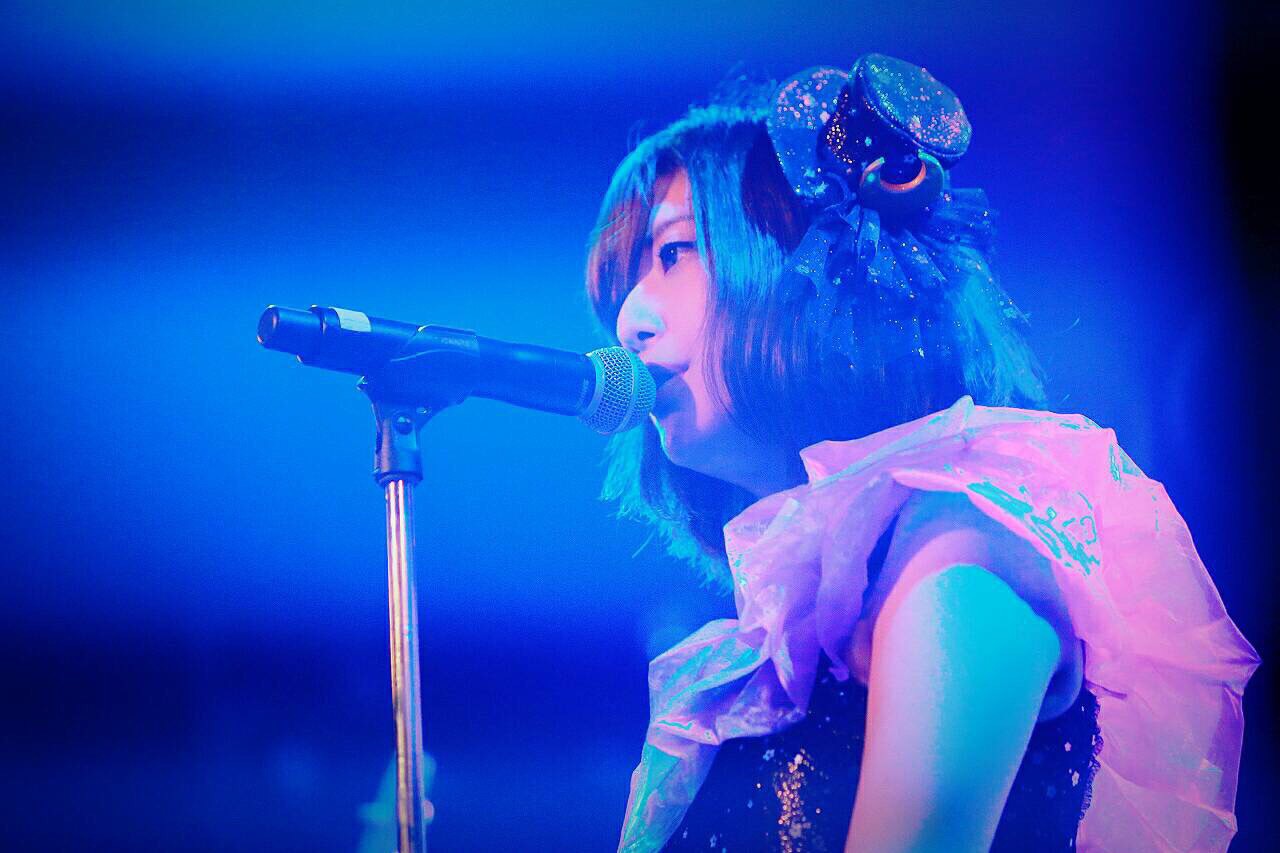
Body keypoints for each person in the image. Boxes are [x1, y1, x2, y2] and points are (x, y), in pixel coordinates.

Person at [584, 55, 1259, 852]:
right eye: (624, 283)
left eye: (672, 253)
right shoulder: (778, 640)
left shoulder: (961, 553)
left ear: (798, 265)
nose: (627, 319)